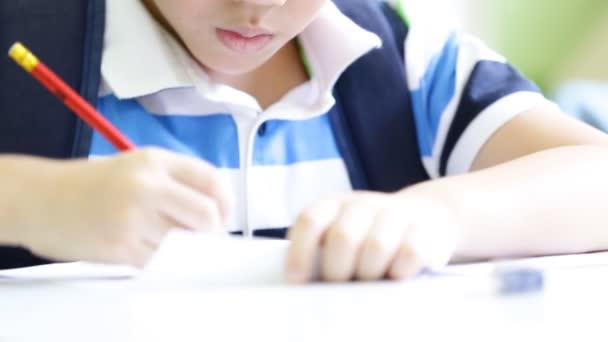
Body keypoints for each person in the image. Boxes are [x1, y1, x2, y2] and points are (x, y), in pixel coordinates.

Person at [1, 0, 607, 284]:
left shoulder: (403, 67)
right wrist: (34, 200)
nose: (258, 5)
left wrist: (435, 214)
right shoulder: (24, 47)